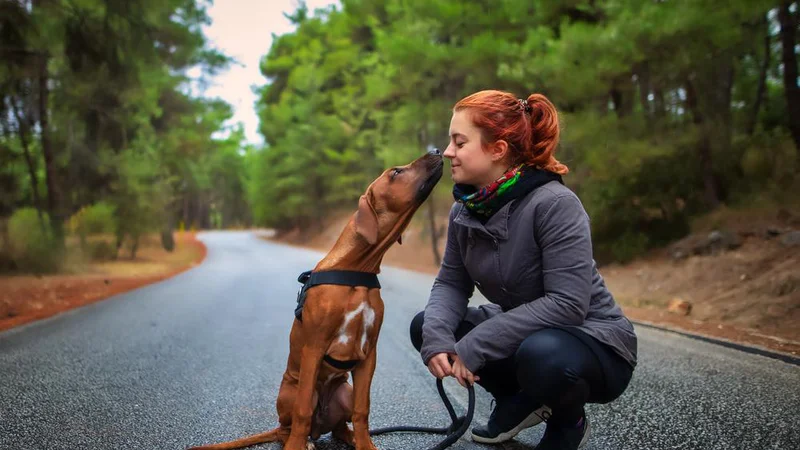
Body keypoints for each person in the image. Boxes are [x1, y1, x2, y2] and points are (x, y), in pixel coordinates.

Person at [409, 90, 638, 450]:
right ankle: (518, 402)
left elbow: (568, 304)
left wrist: (478, 343)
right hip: (527, 332)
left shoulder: (555, 204)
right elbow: (452, 283)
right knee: (426, 325)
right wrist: (438, 338)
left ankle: (568, 421)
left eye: (459, 141)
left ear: (498, 149)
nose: (448, 152)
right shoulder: (465, 210)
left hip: (594, 341)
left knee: (541, 354)